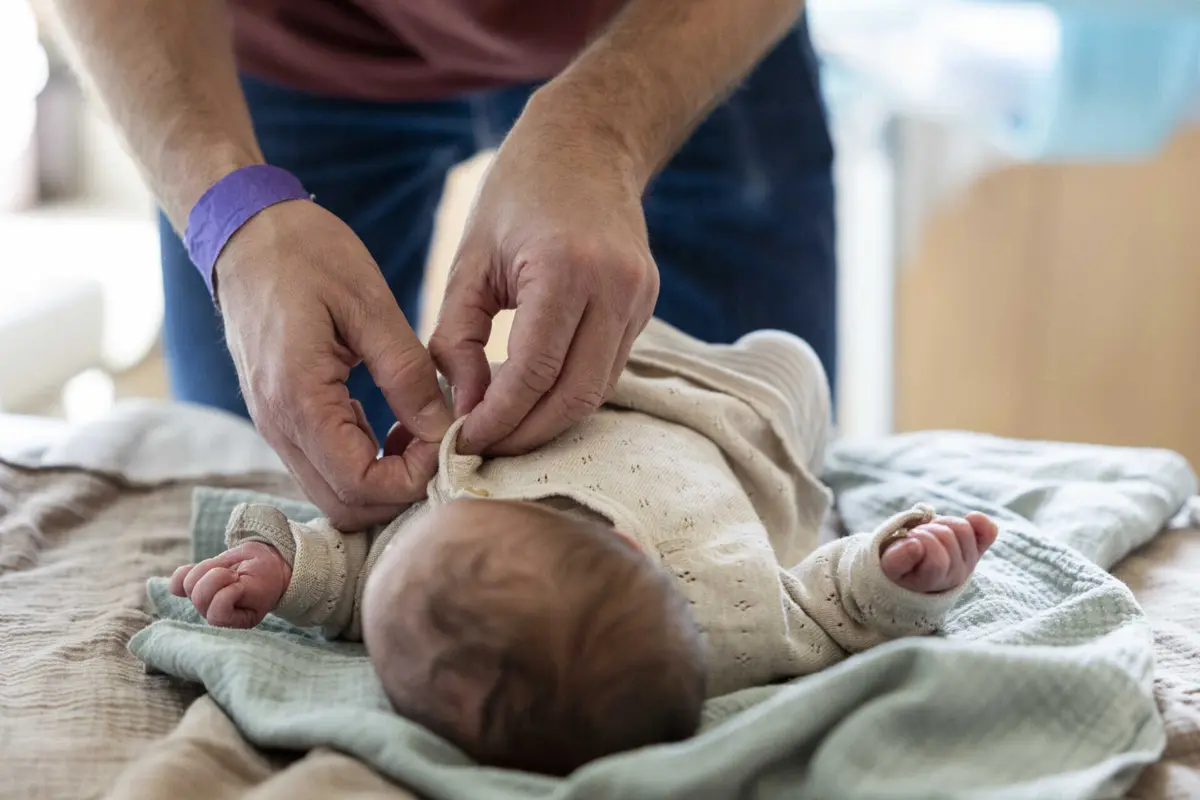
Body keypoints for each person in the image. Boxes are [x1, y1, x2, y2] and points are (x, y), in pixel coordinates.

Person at [48, 1, 835, 530]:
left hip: (671, 27)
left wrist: (608, 126)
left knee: (762, 477)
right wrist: (231, 216)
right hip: (281, 38)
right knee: (275, 479)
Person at [168, 318, 998, 776]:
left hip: (574, 378)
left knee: (573, 302)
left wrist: (286, 573)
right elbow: (832, 609)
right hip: (740, 421)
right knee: (796, 358)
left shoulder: (416, 579)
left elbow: (349, 575)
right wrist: (898, 573)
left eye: (409, 533)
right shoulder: (732, 628)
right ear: (633, 552)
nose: (407, 526)